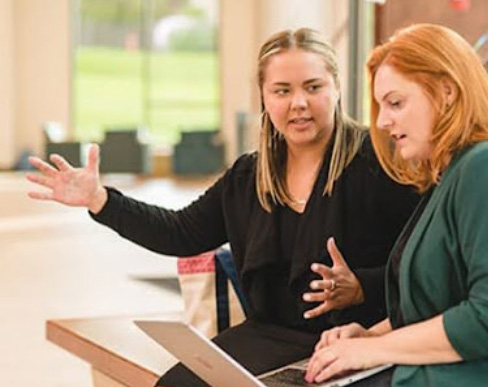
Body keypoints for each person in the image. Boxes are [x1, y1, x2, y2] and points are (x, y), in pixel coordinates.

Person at [26, 28, 419, 386]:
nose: (299, 103)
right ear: (264, 97)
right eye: (282, 90)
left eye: (313, 87)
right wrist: (100, 200)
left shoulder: (379, 161)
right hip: (270, 334)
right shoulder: (249, 176)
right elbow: (180, 232)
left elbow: (428, 263)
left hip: (363, 335)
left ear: (336, 88)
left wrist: (363, 288)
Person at [305, 24, 488, 386]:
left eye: (396, 102)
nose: (383, 120)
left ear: (447, 91)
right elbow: (440, 307)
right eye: (380, 106)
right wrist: (371, 338)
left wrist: (374, 351)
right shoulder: (450, 178)